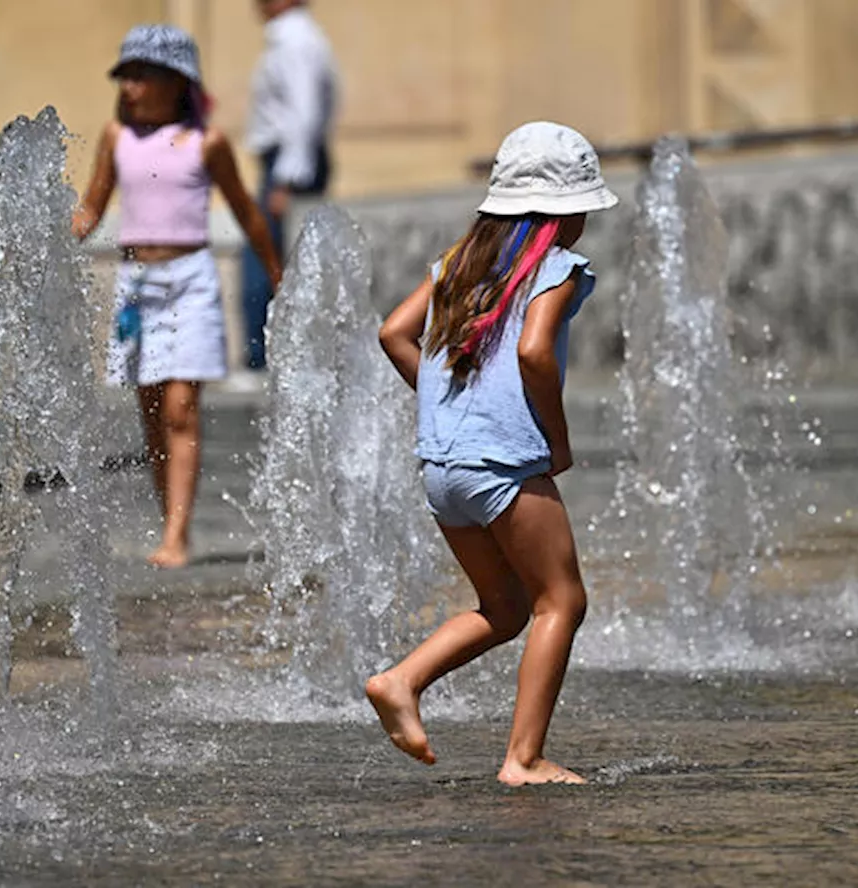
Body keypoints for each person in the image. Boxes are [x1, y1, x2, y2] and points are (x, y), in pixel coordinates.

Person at [366, 122, 620, 786]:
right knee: (561, 601)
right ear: (563, 214)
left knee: (505, 608)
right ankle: (523, 759)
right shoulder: (557, 270)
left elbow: (394, 333)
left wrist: (446, 402)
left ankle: (401, 680)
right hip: (504, 464)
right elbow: (535, 352)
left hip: (443, 469)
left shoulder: (457, 263)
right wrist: (556, 438)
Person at [73, 24, 283, 569]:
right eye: (125, 76)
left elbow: (244, 210)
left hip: (191, 279)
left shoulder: (205, 144)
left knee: (181, 407)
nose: (129, 87)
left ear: (176, 81)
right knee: (150, 410)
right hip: (136, 286)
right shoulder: (116, 138)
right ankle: (170, 515)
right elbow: (92, 209)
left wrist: (278, 274)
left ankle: (177, 534)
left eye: (141, 75)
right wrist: (53, 232)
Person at [241, 0, 338, 371]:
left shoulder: (295, 40)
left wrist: (287, 178)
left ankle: (260, 359)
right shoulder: (294, 38)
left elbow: (305, 112)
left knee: (262, 257)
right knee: (279, 258)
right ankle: (273, 357)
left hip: (288, 164)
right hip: (288, 161)